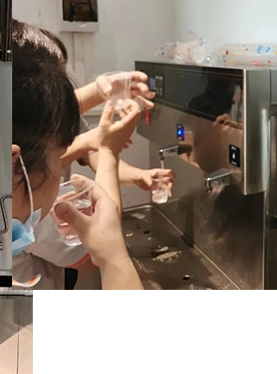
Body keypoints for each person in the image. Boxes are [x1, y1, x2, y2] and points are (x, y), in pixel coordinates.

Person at [12, 28, 142, 290]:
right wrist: (107, 150)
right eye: (59, 155)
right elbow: (101, 239)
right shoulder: (27, 207)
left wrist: (135, 173)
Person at [11, 20, 175, 197]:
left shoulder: (64, 113)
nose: (63, 86)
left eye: (63, 74)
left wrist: (138, 176)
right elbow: (34, 166)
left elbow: (96, 155)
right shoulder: (16, 124)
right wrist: (93, 142)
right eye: (55, 77)